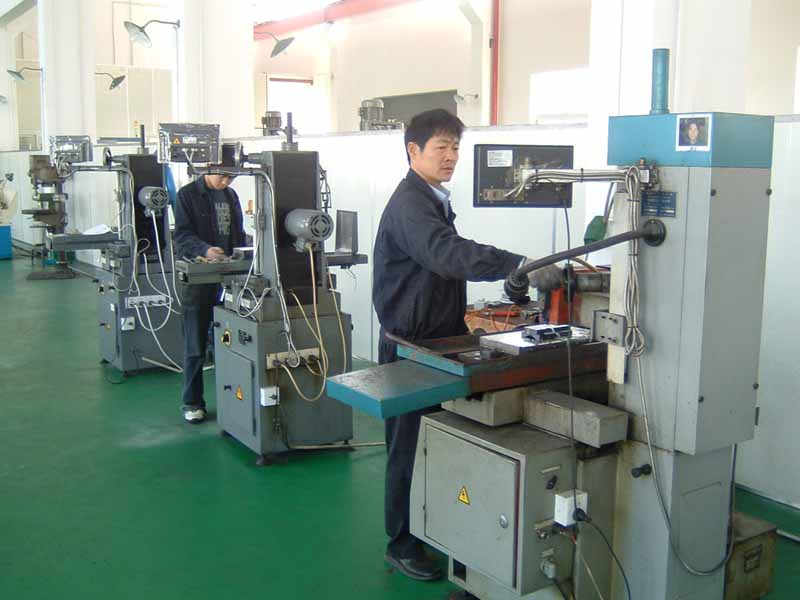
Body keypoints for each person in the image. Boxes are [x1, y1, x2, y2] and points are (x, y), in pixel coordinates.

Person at [373, 109, 560, 582]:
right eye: (441, 147)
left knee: (435, 441)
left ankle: (434, 525)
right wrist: (515, 262)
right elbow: (446, 253)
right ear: (413, 150)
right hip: (410, 346)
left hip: (439, 340)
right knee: (408, 447)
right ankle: (400, 542)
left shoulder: (433, 199)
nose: (451, 156)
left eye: (456, 147)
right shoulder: (410, 204)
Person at [173, 172, 246, 423]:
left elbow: (238, 233)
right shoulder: (187, 195)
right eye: (223, 177)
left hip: (228, 277)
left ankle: (233, 402)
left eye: (231, 178)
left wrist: (243, 256)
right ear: (209, 167)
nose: (226, 182)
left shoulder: (231, 196)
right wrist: (205, 250)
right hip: (199, 279)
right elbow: (182, 236)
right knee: (195, 344)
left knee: (230, 342)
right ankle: (192, 402)